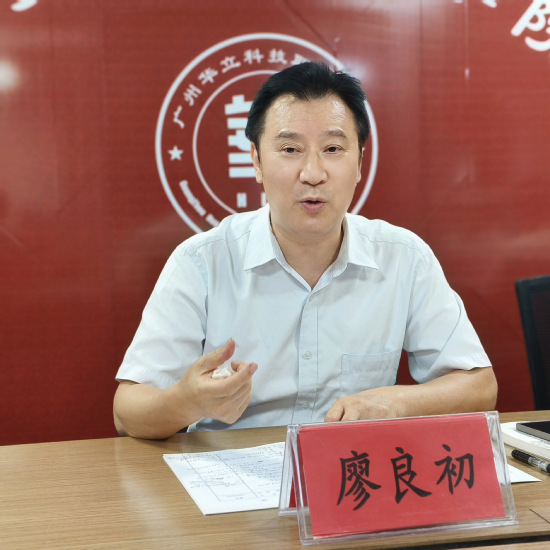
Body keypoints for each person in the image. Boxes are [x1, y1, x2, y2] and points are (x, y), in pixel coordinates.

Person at [113, 62, 497, 439]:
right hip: (228, 471)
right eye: (290, 149)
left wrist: (394, 403)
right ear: (256, 161)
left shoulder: (404, 258)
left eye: (332, 148)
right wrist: (187, 401)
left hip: (351, 469)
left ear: (359, 163)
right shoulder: (202, 262)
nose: (312, 173)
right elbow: (127, 411)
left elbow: (479, 386)